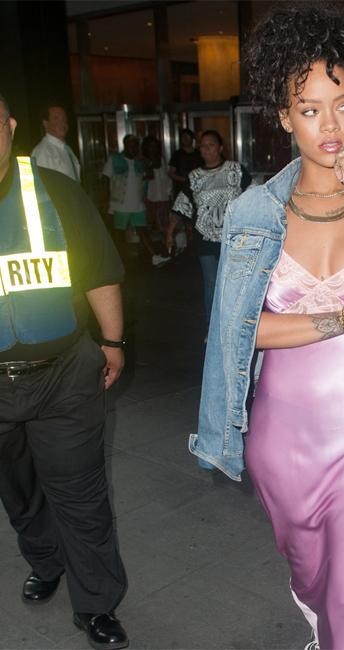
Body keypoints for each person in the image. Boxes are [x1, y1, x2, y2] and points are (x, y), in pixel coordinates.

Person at [189, 5, 344, 649]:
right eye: (309, 110)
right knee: (314, 585)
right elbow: (241, 332)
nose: (330, 126)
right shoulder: (254, 212)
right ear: (284, 116)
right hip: (281, 442)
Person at [0, 94, 128, 649]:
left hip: (62, 375)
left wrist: (112, 341)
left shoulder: (55, 192)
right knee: (18, 489)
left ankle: (97, 602)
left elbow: (99, 269)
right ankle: (45, 561)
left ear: (9, 126)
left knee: (81, 494)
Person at [169, 130, 251, 328]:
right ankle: (212, 327)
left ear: (220, 148)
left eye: (211, 145)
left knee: (232, 283)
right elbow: (182, 205)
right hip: (204, 237)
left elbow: (253, 196)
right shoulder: (195, 177)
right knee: (211, 283)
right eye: (203, 146)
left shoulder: (236, 170)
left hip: (233, 238)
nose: (207, 150)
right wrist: (169, 232)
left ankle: (234, 326)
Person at [103, 134, 169, 268]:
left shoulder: (139, 162)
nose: (133, 148)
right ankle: (116, 262)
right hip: (120, 204)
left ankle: (154, 257)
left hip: (138, 204)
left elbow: (150, 176)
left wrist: (146, 163)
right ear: (125, 145)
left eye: (135, 146)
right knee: (119, 234)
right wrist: (105, 200)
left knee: (142, 230)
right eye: (130, 145)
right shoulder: (114, 159)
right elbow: (105, 178)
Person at [31, 103, 81, 182]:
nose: (62, 123)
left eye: (64, 118)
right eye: (56, 118)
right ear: (46, 123)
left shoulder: (67, 149)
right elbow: (42, 185)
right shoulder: (42, 152)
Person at [142, 134, 172, 243]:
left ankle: (165, 248)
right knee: (150, 225)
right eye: (150, 146)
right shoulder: (143, 161)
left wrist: (169, 193)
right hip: (149, 198)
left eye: (155, 146)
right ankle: (152, 248)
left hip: (163, 198)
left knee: (164, 225)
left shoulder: (162, 160)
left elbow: (167, 178)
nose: (153, 149)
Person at [168, 128, 203, 198]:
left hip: (197, 187)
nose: (185, 139)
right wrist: (185, 180)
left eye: (188, 137)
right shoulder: (177, 154)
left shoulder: (199, 153)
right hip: (181, 188)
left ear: (192, 138)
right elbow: (171, 173)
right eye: (183, 137)